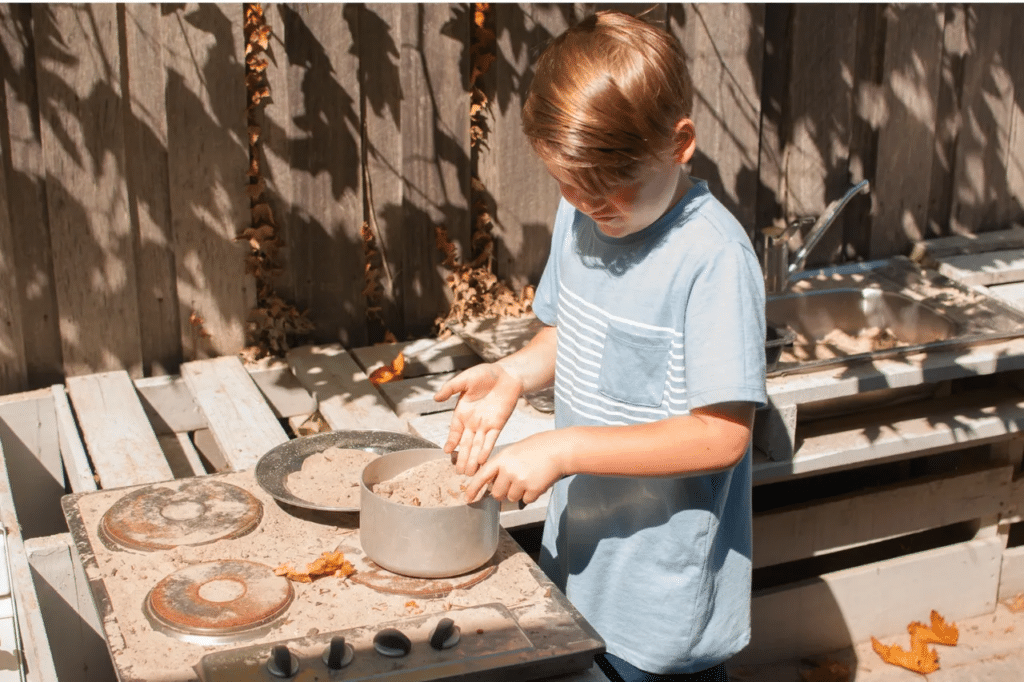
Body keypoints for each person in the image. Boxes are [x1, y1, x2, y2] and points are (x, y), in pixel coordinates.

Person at [433, 10, 767, 682]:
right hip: (582, 560)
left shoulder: (713, 260)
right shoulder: (581, 214)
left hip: (663, 598)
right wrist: (513, 374)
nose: (592, 207)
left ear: (680, 144)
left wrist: (561, 448)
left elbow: (722, 437)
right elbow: (571, 332)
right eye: (570, 186)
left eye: (613, 189)